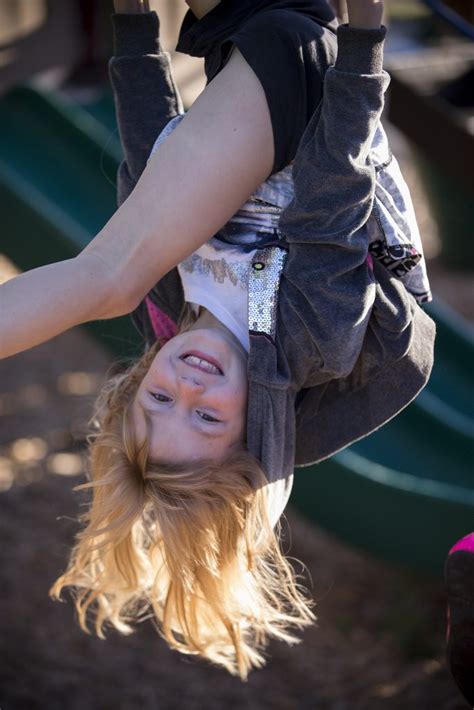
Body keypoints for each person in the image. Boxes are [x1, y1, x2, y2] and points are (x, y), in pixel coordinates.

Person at [0, 0, 435, 679]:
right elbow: (334, 197)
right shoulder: (308, 342)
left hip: (237, 66)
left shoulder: (174, 308)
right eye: (205, 416)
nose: (187, 385)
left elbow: (152, 167)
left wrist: (136, 28)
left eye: (158, 402)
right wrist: (366, 42)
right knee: (108, 273)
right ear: (253, 429)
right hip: (308, 92)